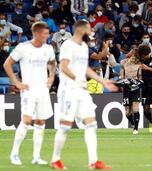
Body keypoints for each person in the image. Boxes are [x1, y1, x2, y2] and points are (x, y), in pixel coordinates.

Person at [50, 20, 117, 170]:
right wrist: (76, 79)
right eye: (88, 27)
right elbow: (63, 66)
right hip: (68, 89)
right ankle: (55, 159)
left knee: (91, 123)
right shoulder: (68, 44)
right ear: (81, 29)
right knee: (66, 126)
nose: (91, 30)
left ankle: (93, 162)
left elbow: (85, 68)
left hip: (81, 90)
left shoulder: (84, 46)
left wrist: (103, 81)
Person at [4, 22, 56, 166]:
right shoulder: (23, 48)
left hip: (43, 90)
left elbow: (52, 63)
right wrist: (16, 82)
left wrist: (51, 76)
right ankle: (14, 154)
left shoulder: (48, 49)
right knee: (26, 121)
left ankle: (36, 157)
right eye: (45, 34)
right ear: (37, 34)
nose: (47, 36)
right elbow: (7, 64)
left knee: (40, 122)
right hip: (28, 90)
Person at [119, 50, 142, 134]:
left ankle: (136, 128)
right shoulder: (123, 63)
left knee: (135, 107)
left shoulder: (139, 64)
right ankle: (132, 123)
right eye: (133, 57)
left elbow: (140, 77)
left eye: (136, 58)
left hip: (135, 88)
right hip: (126, 88)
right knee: (127, 112)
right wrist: (122, 80)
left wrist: (138, 82)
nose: (134, 59)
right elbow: (122, 75)